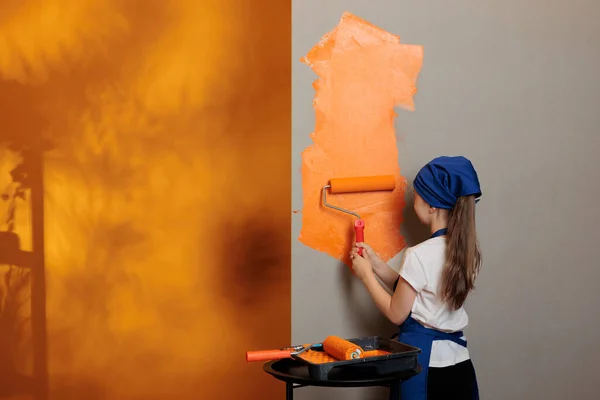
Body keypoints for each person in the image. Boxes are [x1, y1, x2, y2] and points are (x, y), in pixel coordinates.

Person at [350, 156, 482, 400]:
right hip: (459, 366)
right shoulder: (467, 250)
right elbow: (421, 293)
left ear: (432, 205)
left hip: (427, 368)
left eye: (418, 194)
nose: (413, 200)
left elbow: (397, 312)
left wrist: (365, 276)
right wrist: (377, 265)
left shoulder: (419, 254)